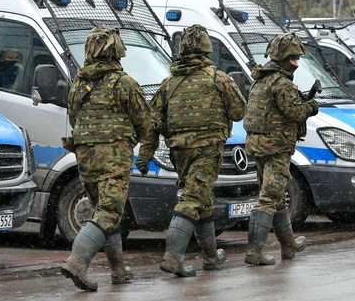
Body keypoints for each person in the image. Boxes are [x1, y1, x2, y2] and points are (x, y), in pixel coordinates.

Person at [135, 24, 247, 277]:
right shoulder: (218, 79)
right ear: (207, 50)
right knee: (192, 200)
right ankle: (173, 258)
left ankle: (211, 256)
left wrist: (145, 155)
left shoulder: (169, 84)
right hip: (207, 151)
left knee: (203, 202)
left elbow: (153, 124)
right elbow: (239, 112)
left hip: (179, 153)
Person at [61, 27, 151, 292]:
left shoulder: (80, 83)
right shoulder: (124, 83)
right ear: (116, 50)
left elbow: (74, 119)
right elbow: (145, 123)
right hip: (113, 158)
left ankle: (118, 269)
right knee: (110, 211)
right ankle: (77, 262)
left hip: (86, 158)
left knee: (105, 210)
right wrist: (144, 152)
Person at [243, 32, 319, 266]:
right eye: (293, 57)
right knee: (269, 197)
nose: (296, 62)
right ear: (284, 57)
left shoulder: (261, 79)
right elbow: (295, 113)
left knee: (277, 198)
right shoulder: (281, 83)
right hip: (275, 148)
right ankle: (254, 252)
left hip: (259, 146)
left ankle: (288, 245)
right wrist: (312, 105)